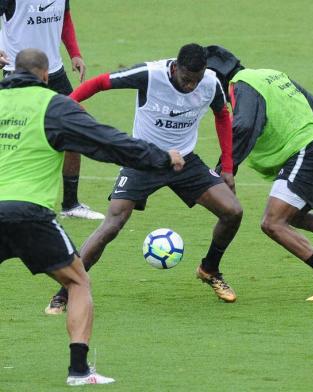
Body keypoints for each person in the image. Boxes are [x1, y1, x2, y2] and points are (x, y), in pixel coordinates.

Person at [0, 48, 184, 385]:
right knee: (76, 281)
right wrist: (160, 158)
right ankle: (79, 371)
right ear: (44, 75)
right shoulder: (52, 106)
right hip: (29, 213)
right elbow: (107, 141)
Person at [45, 43, 243, 314]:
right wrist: (64, 107)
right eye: (186, 80)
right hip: (142, 158)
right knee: (111, 224)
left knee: (233, 211)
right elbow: (101, 82)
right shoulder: (150, 74)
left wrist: (228, 167)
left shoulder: (209, 83)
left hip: (184, 161)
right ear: (175, 68)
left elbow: (222, 115)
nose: (190, 87)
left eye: (196, 81)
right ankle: (65, 291)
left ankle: (209, 269)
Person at [205, 45, 313, 301]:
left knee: (272, 223)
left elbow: (243, 126)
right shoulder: (269, 74)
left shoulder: (241, 85)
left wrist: (225, 169)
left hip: (307, 152)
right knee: (294, 217)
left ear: (215, 77)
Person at [0, 0, 104, 219]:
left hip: (54, 73)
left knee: (74, 129)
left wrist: (74, 53)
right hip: (20, 73)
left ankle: (70, 204)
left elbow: (64, 17)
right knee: (18, 139)